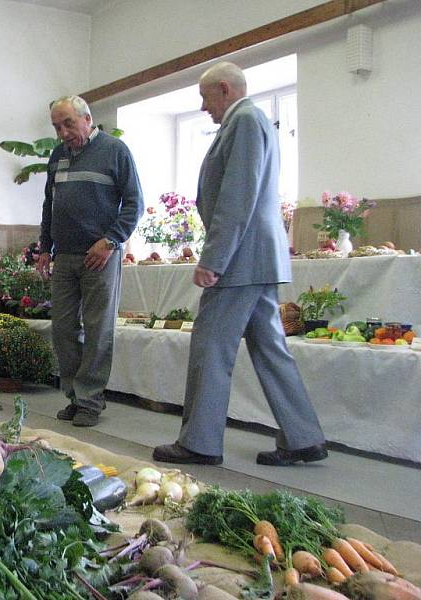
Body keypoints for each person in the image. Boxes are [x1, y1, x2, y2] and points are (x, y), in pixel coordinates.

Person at [152, 62, 327, 467]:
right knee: (270, 349)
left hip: (240, 262)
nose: (203, 107)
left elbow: (237, 195)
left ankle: (199, 442)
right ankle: (304, 437)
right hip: (256, 261)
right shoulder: (251, 122)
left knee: (210, 347)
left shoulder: (245, 120)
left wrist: (214, 259)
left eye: (204, 98)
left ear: (225, 90)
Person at [37, 95, 144, 428]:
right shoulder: (58, 155)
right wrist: (45, 247)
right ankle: (74, 394)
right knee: (63, 330)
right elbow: (48, 204)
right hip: (64, 255)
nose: (63, 132)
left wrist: (111, 240)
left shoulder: (115, 151)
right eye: (57, 126)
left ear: (87, 119)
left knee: (98, 330)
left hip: (100, 256)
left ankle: (90, 400)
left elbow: (134, 203)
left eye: (68, 123)